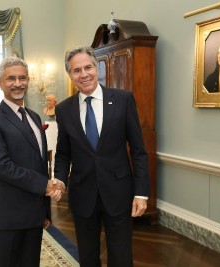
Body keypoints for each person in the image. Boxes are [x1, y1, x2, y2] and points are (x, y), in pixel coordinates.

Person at [54, 46, 150, 267]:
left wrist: (141, 193)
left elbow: (138, 150)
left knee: (121, 255)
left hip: (118, 192)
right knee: (87, 256)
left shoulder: (123, 100)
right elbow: (63, 152)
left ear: (96, 69)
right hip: (82, 194)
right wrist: (59, 178)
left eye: (88, 67)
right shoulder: (64, 109)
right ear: (70, 75)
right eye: (77, 70)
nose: (84, 74)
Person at [0, 57, 65, 267]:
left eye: (22, 78)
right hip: (7, 215)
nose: (17, 83)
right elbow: (2, 167)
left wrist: (45, 211)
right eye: (11, 78)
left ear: (28, 81)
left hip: (34, 214)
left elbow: (39, 164)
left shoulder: (35, 117)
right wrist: (45, 185)